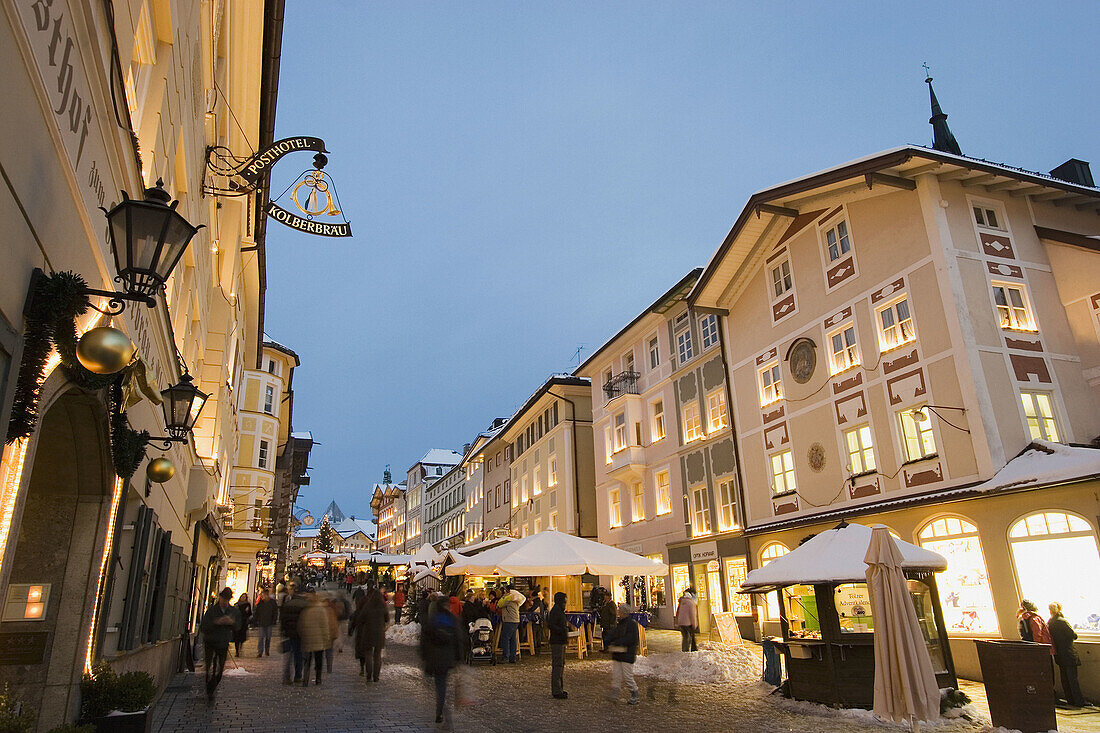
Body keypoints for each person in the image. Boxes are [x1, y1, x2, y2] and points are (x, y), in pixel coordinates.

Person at [421, 595, 463, 724]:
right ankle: (442, 706)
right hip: (448, 657)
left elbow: (424, 641)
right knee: (443, 683)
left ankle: (440, 709)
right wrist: (459, 657)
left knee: (440, 685)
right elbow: (459, 640)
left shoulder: (432, 620)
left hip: (435, 658)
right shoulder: (452, 620)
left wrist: (424, 657)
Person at [200, 587, 241, 703]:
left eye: (227, 600)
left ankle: (214, 683)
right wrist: (216, 622)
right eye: (223, 599)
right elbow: (204, 626)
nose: (224, 602)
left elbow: (238, 626)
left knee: (220, 668)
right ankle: (209, 686)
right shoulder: (212, 611)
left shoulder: (233, 611)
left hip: (223, 642)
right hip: (210, 641)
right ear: (220, 598)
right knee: (209, 666)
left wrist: (231, 622)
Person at [1048, 602, 1086, 707]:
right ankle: (1079, 701)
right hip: (1068, 653)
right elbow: (1073, 635)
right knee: (1073, 679)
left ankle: (1070, 700)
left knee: (1064, 678)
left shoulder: (1050, 622)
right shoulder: (1063, 622)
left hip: (1059, 654)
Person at [351, 586, 389, 681]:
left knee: (368, 654)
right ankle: (376, 676)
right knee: (377, 656)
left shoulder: (368, 606)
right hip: (379, 634)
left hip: (368, 633)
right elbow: (387, 619)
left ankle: (368, 675)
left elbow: (361, 619)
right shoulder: (383, 606)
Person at [604, 603, 640, 705]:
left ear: (624, 612)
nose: (618, 612)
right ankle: (615, 694)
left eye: (619, 610)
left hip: (626, 654)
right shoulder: (621, 623)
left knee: (628, 676)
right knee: (617, 675)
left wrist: (617, 642)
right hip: (618, 653)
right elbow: (615, 634)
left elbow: (631, 639)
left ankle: (634, 693)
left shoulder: (631, 624)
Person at [299, 590, 336, 686]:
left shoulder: (306, 609)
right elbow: (324, 625)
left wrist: (302, 635)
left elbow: (301, 624)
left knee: (307, 660)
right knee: (318, 660)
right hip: (319, 640)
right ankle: (318, 678)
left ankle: (306, 679)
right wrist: (327, 638)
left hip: (308, 640)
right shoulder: (321, 610)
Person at [280, 583, 308, 684]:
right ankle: (298, 675)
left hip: (289, 633)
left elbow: (283, 619)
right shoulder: (304, 605)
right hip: (300, 633)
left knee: (289, 654)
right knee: (299, 655)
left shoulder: (288, 604)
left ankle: (286, 676)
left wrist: (283, 630)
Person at [548, 591, 569, 699]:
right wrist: (562, 630)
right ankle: (557, 690)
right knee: (558, 665)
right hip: (557, 641)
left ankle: (559, 688)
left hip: (560, 640)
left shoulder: (558, 610)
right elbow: (551, 625)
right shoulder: (556, 611)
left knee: (560, 665)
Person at [498, 586, 522, 663]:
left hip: (509, 620)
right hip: (515, 620)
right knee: (512, 639)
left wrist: (504, 597)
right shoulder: (516, 599)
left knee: (505, 638)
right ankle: (512, 657)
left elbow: (500, 604)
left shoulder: (508, 599)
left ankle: (506, 657)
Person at [253, 588, 278, 657]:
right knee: (261, 637)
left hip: (269, 622)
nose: (262, 597)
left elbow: (275, 612)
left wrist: (274, 620)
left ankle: (267, 650)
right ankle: (260, 651)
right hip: (261, 622)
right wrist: (256, 620)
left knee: (268, 637)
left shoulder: (272, 602)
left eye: (263, 595)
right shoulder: (260, 603)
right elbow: (257, 612)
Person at [676, 587, 699, 652]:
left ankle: (685, 650)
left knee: (685, 637)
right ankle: (686, 651)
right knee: (688, 637)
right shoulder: (691, 603)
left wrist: (677, 622)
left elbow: (678, 612)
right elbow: (692, 615)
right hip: (688, 623)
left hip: (681, 622)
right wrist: (694, 624)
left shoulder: (682, 601)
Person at [233, 592, 252, 657]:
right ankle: (237, 650)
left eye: (244, 597)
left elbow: (249, 613)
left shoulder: (247, 605)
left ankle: (240, 648)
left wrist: (247, 612)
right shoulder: (236, 604)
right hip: (237, 622)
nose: (243, 598)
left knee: (241, 637)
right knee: (236, 637)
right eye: (242, 597)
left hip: (244, 622)